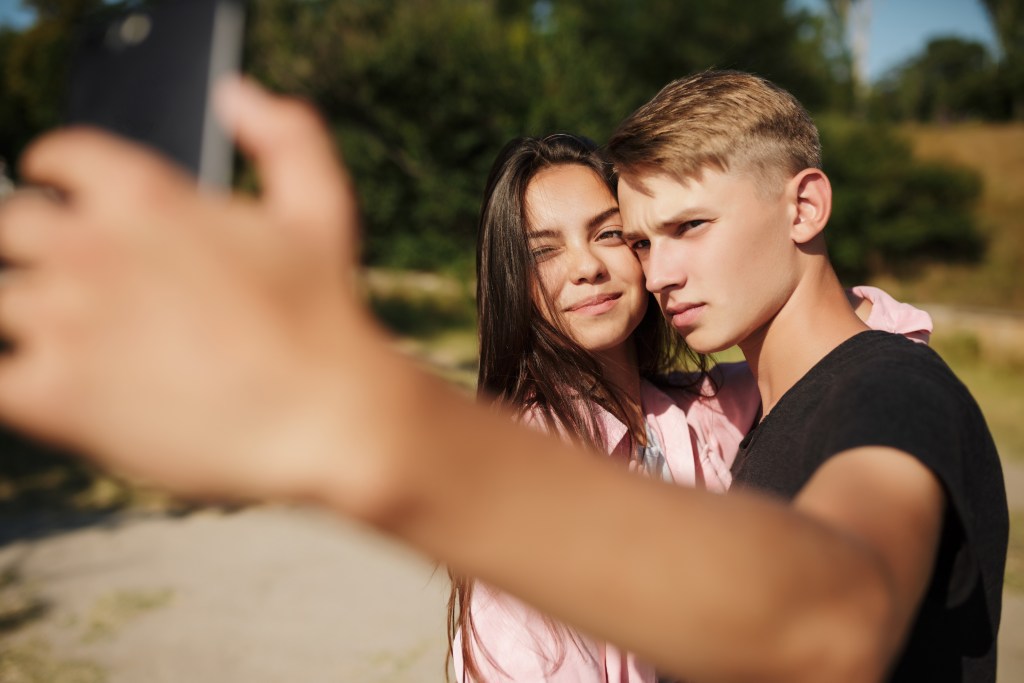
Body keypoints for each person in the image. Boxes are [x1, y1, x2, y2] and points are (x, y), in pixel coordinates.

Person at [0, 74, 1005, 682]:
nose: (649, 268)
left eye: (670, 230)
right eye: (643, 235)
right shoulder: (782, 398)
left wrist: (357, 421)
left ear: (804, 204)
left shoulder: (873, 389)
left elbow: (829, 619)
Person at [454, 132, 932, 682]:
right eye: (544, 250)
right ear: (512, 280)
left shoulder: (703, 409)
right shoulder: (525, 471)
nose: (586, 266)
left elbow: (885, 337)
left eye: (609, 234)